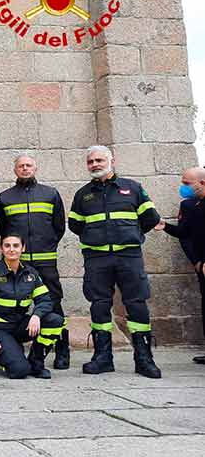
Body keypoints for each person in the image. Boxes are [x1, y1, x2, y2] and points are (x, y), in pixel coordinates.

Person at [69, 145, 162, 378]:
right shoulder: (83, 194)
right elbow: (75, 225)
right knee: (99, 305)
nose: (95, 165)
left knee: (137, 304)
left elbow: (151, 218)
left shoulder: (132, 188)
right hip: (97, 258)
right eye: (91, 162)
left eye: (99, 160)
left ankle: (144, 359)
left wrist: (128, 235)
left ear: (112, 161)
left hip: (128, 256)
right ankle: (102, 357)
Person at [0, 154, 69, 370]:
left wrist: (46, 246)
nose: (25, 169)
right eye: (21, 166)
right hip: (18, 264)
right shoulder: (5, 197)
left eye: (28, 165)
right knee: (13, 305)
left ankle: (62, 351)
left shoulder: (50, 194)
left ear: (35, 168)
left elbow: (59, 227)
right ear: (15, 170)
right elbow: (4, 229)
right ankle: (17, 349)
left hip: (46, 262)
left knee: (54, 305)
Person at [0, 234, 64, 379]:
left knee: (55, 320)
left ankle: (36, 364)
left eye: (16, 246)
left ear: (23, 248)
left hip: (19, 325)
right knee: (19, 371)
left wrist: (36, 315)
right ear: (1, 249)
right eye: (7, 245)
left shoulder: (31, 273)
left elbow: (46, 300)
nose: (12, 249)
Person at [155, 167, 205, 364]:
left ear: (201, 183)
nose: (183, 187)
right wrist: (166, 227)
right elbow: (185, 234)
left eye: (186, 183)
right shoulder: (192, 205)